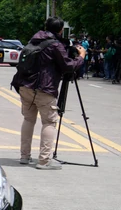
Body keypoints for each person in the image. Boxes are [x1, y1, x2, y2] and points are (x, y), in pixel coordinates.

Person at [10, 17, 85, 170]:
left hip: (24, 86)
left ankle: (24, 156)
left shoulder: (33, 41)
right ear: (61, 30)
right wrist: (81, 57)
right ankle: (44, 161)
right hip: (44, 88)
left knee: (28, 119)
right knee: (49, 122)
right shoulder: (55, 45)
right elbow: (67, 66)